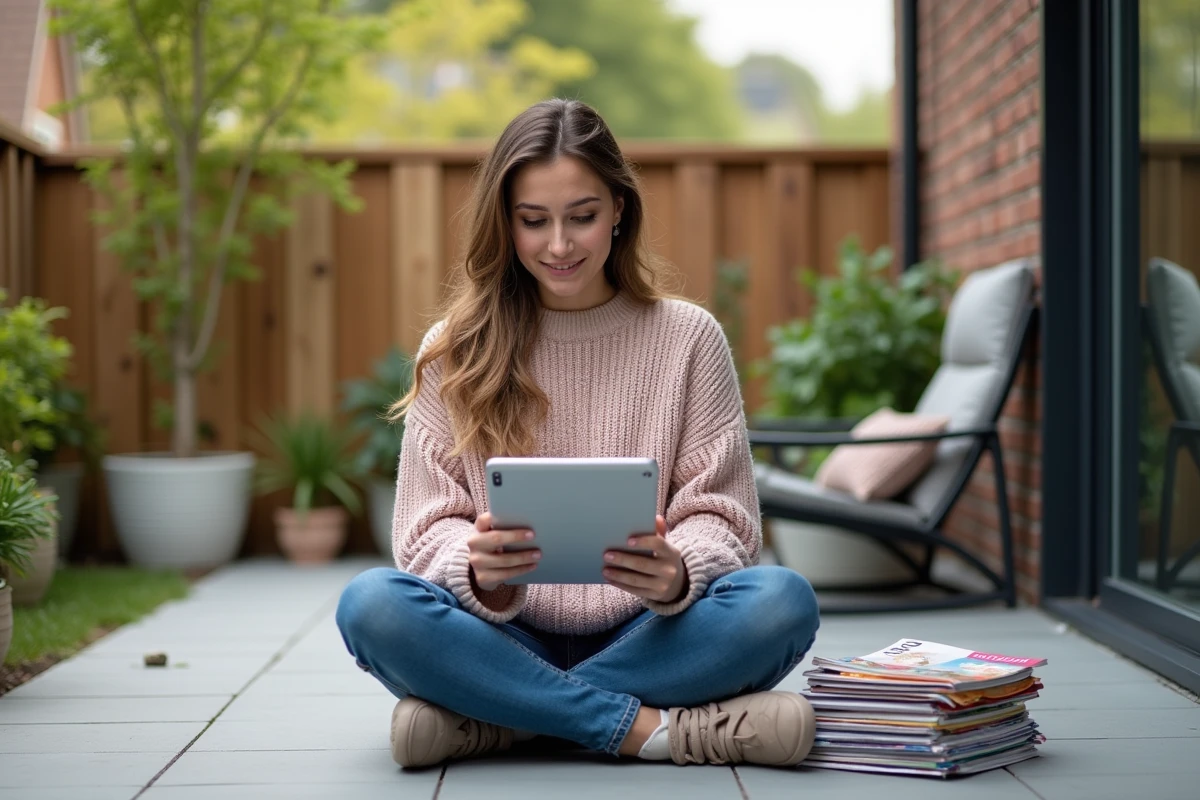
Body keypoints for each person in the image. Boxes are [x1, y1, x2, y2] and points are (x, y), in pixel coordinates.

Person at [335, 98, 821, 770]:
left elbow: (724, 516)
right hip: (500, 636)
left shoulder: (688, 339)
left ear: (619, 208)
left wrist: (678, 571)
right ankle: (650, 729)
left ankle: (498, 719)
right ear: (505, 223)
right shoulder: (455, 348)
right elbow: (423, 530)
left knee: (782, 603)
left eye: (582, 217)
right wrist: (478, 571)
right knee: (371, 607)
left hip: (658, 634)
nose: (559, 246)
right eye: (533, 221)